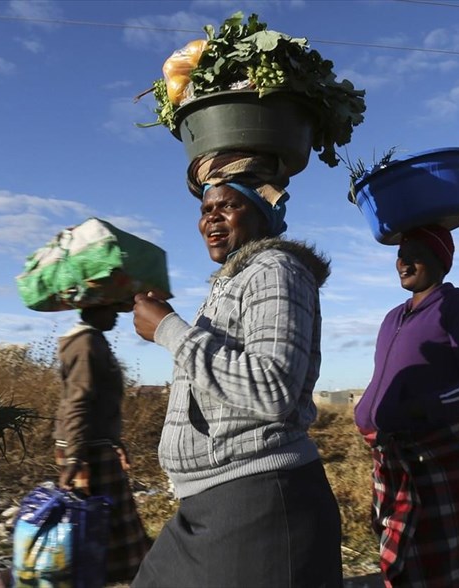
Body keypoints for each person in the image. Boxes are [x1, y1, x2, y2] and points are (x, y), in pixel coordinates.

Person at [131, 151, 343, 587]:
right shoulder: (234, 280)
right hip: (209, 503)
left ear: (262, 212)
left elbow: (272, 387)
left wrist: (170, 330)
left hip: (259, 500)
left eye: (229, 205)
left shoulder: (276, 270)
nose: (212, 218)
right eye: (206, 209)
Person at [354, 224, 459, 587]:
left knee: (440, 572)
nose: (404, 262)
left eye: (416, 253)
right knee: (400, 564)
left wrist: (422, 409)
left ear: (441, 259)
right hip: (392, 459)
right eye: (401, 254)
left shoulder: (458, 304)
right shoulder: (392, 318)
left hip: (438, 455)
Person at [54, 304, 150, 583]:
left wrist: (114, 441)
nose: (116, 314)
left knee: (111, 533)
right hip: (85, 450)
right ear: (94, 309)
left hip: (93, 445)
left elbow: (99, 403)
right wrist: (74, 457)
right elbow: (77, 401)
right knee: (91, 532)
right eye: (110, 310)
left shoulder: (93, 339)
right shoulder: (85, 343)